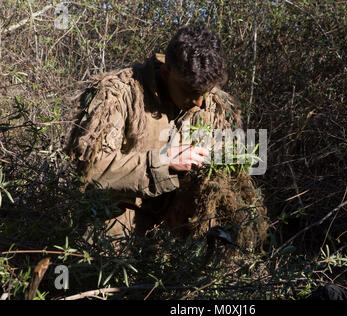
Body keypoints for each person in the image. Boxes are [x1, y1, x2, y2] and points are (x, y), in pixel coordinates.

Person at [66, 24, 241, 242]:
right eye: (191, 93)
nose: (200, 103)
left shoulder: (214, 103)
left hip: (179, 239)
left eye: (206, 92)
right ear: (167, 72)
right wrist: (164, 162)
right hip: (117, 238)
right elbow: (91, 168)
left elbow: (230, 172)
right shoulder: (117, 94)